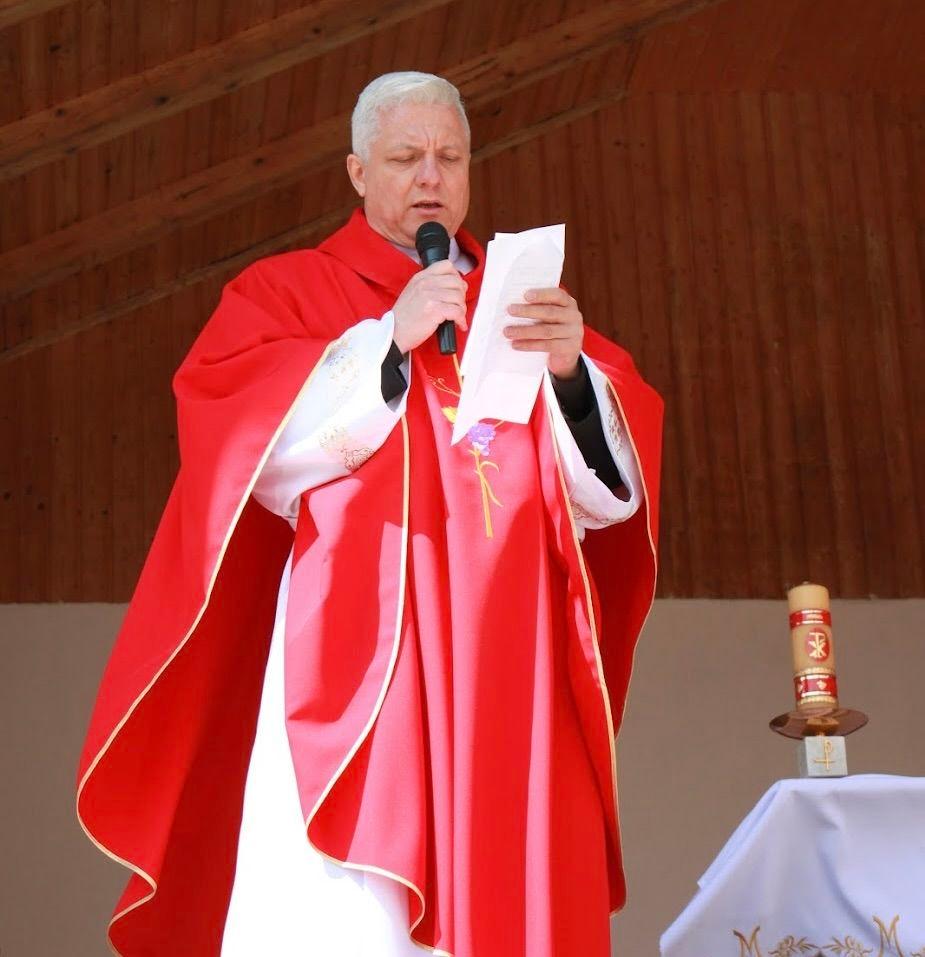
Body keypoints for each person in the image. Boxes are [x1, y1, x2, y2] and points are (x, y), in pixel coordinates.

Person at [76, 72, 663, 957]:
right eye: (404, 157)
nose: (430, 175)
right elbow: (245, 452)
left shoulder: (518, 305)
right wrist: (386, 339)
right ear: (357, 172)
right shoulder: (289, 293)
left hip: (507, 662)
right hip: (364, 657)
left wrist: (574, 373)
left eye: (449, 157)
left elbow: (605, 499)